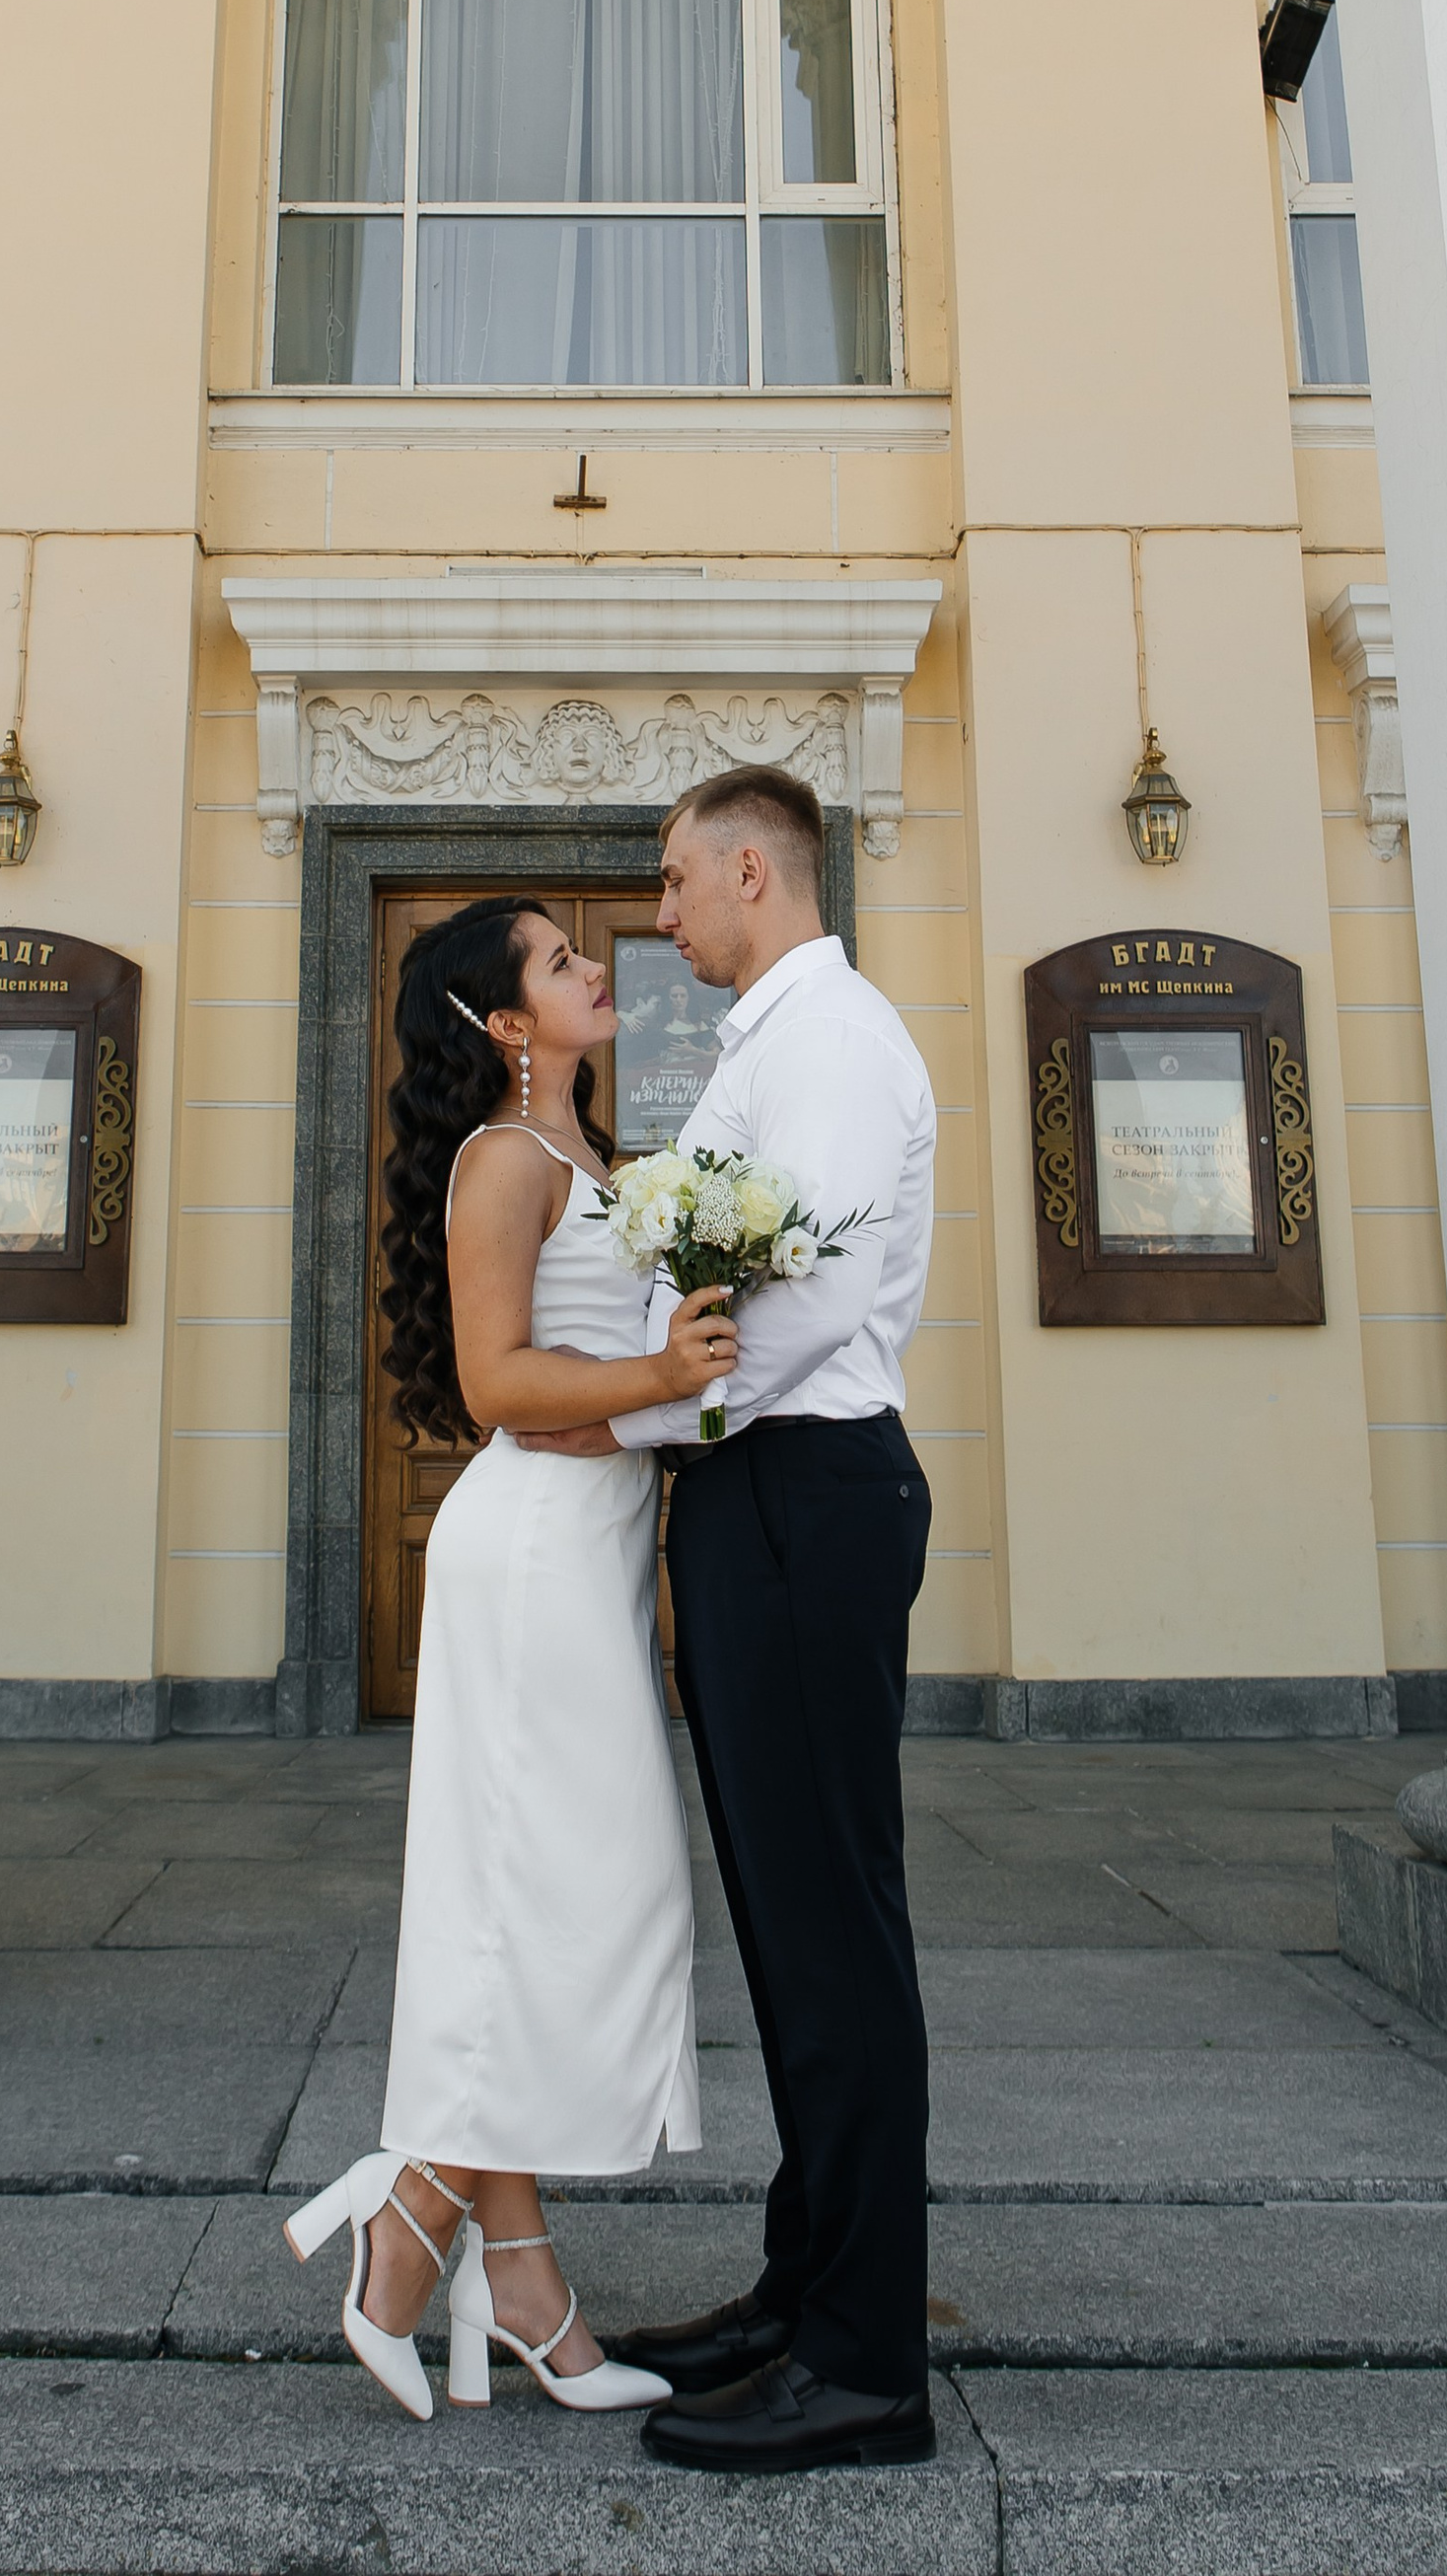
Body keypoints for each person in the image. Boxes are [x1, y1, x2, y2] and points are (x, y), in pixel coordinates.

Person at [517, 767, 939, 2474]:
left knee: (831, 1921)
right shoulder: (769, 1041)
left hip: (812, 1495)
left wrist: (615, 1417)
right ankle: (803, 2287)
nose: (662, 907)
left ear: (752, 869)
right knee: (784, 1923)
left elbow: (810, 1299)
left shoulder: (832, 1041)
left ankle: (866, 2361)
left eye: (680, 879)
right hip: (763, 1496)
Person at [282, 893, 741, 2422]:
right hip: (534, 1548)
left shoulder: (593, 1156)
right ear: (506, 1025)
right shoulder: (503, 1160)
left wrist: (678, 1384)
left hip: (592, 1546)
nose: (596, 965)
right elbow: (496, 1383)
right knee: (561, 1897)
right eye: (558, 962)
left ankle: (484, 2255)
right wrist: (668, 1381)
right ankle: (436, 2232)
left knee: (556, 1898)